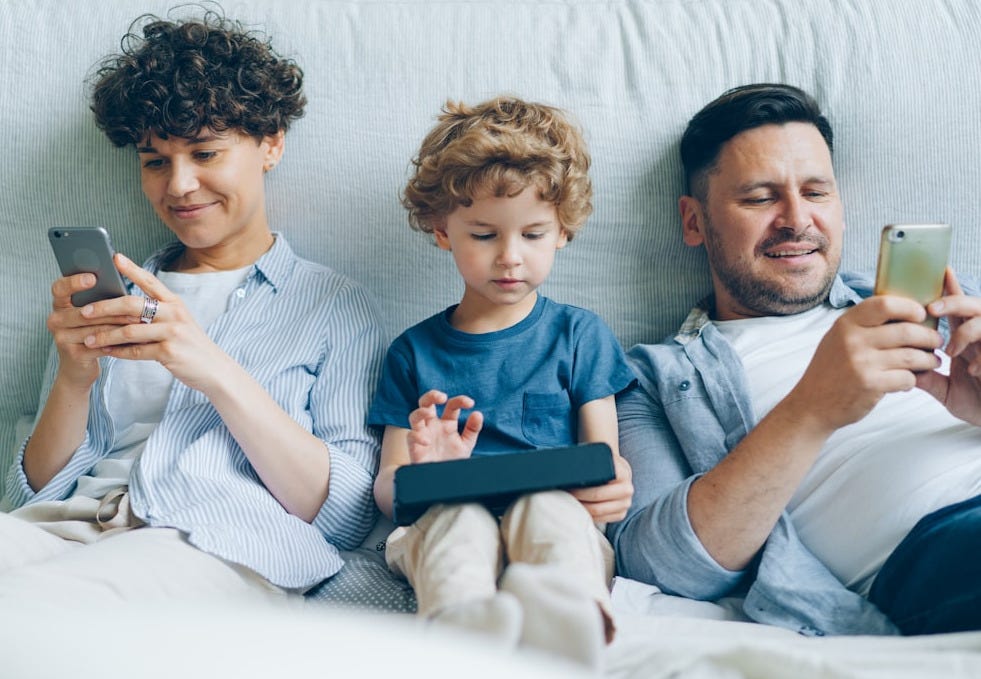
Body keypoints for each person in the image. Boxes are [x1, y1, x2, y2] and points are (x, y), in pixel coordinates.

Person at [0, 9, 385, 605]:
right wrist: (74, 378)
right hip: (69, 526)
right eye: (156, 161)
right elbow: (29, 496)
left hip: (213, 539)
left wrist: (211, 366)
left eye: (204, 153)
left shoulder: (332, 305)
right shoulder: (116, 296)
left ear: (271, 144)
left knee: (47, 606)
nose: (177, 186)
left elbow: (346, 514)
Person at [608, 82, 981, 637]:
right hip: (943, 547)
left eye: (816, 192)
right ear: (694, 221)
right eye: (760, 198)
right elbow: (659, 563)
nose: (796, 219)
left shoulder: (939, 303)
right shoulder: (652, 378)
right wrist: (813, 406)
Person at [368, 96, 636, 667]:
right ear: (443, 231)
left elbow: (604, 463)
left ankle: (570, 625)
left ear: (563, 231)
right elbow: (389, 493)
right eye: (485, 236)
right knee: (459, 522)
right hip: (441, 517)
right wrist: (423, 473)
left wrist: (613, 486)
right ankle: (463, 636)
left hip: (556, 517)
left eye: (533, 235)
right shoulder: (412, 352)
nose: (510, 258)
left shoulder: (580, 335)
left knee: (547, 509)